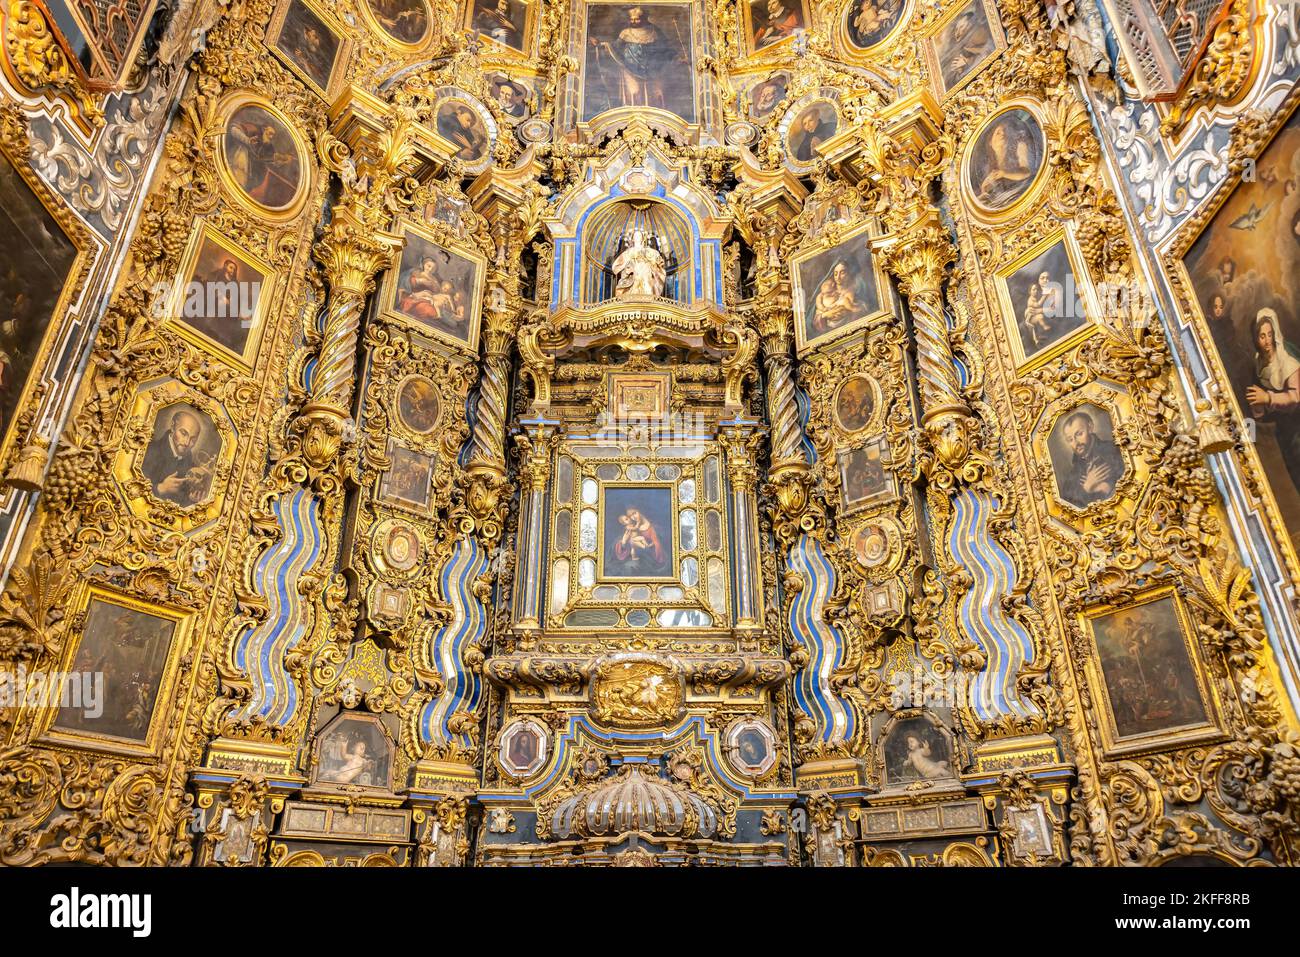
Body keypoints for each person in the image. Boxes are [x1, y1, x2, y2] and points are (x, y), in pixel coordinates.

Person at [1245, 308, 1300, 494]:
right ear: (1256, 339)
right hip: (1282, 430)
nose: (1267, 340)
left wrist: (1268, 398)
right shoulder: (1258, 363)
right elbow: (1256, 400)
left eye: (1270, 334)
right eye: (1262, 336)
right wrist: (1258, 412)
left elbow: (1295, 397)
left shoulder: (1287, 361)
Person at [589, 6, 678, 114]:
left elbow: (664, 48)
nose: (634, 21)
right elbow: (615, 47)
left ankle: (651, 117)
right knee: (633, 91)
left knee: (657, 93)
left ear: (644, 18)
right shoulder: (626, 32)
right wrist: (600, 44)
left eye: (637, 19)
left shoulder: (654, 31)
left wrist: (676, 56)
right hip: (629, 68)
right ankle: (630, 117)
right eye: (631, 19)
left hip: (651, 70)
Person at [142, 408, 211, 505]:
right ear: (173, 426)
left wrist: (192, 500)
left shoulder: (192, 467)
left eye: (193, 439)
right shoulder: (148, 450)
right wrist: (160, 488)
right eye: (183, 433)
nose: (187, 442)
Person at [225, 117, 299, 207]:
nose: (271, 137)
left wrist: (283, 159)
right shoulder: (253, 130)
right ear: (264, 129)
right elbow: (233, 129)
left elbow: (266, 156)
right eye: (270, 133)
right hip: (240, 160)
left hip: (251, 173)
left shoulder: (268, 145)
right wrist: (247, 140)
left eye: (272, 136)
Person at [1058, 407, 1124, 507]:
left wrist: (1107, 488)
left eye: (1079, 434)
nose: (1076, 443)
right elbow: (1069, 508)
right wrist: (1087, 488)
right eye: (1070, 439)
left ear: (1090, 427)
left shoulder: (1115, 450)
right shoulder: (1071, 477)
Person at [976, 117, 1036, 208]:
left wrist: (1004, 174)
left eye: (1005, 131)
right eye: (998, 132)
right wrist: (984, 189)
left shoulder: (1020, 146)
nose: (1003, 133)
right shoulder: (987, 167)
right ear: (990, 142)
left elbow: (1027, 173)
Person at [809, 260, 865, 333]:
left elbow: (862, 311)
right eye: (835, 274)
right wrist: (825, 315)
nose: (838, 277)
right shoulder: (826, 292)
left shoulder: (855, 292)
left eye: (842, 273)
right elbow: (814, 321)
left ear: (849, 274)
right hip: (829, 333)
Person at [612, 506, 668, 575]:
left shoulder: (654, 527)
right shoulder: (632, 526)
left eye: (634, 513)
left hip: (652, 561)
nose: (633, 518)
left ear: (640, 511)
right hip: (639, 559)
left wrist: (652, 546)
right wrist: (623, 543)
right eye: (630, 516)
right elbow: (622, 542)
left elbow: (660, 545)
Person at [611, 229, 667, 299]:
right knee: (633, 294)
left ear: (642, 239)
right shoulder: (628, 252)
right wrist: (627, 270)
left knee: (648, 292)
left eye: (639, 236)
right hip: (634, 276)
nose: (637, 237)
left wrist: (657, 262)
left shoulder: (649, 251)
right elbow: (616, 267)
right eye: (636, 236)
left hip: (646, 275)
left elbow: (658, 261)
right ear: (633, 239)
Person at [1021, 269, 1060, 348]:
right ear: (1038, 281)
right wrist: (1027, 311)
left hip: (1054, 323)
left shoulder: (1055, 291)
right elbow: (1032, 306)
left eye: (1047, 278)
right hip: (1039, 325)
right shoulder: (1038, 293)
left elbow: (1055, 309)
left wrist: (1039, 311)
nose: (1045, 280)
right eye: (1042, 278)